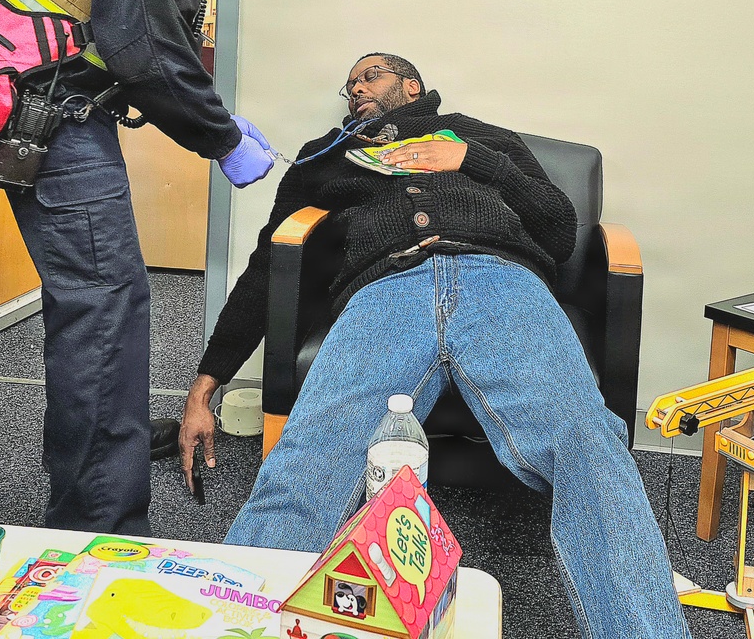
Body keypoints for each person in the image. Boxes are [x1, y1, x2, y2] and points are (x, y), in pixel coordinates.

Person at [180, 53, 691, 639]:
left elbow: (557, 225)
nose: (356, 89)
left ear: (412, 85)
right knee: (307, 459)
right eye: (350, 84)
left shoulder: (476, 136)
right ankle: (228, 626)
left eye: (370, 76)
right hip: (384, 290)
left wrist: (469, 160)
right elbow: (271, 262)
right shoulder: (326, 155)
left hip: (500, 282)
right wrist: (207, 382)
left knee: (588, 446)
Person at [6, 0, 338, 535]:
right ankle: (100, 534)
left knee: (106, 305)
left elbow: (134, 37)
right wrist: (223, 138)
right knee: (103, 313)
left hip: (54, 112)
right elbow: (147, 50)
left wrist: (214, 121)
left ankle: (94, 465)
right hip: (52, 120)